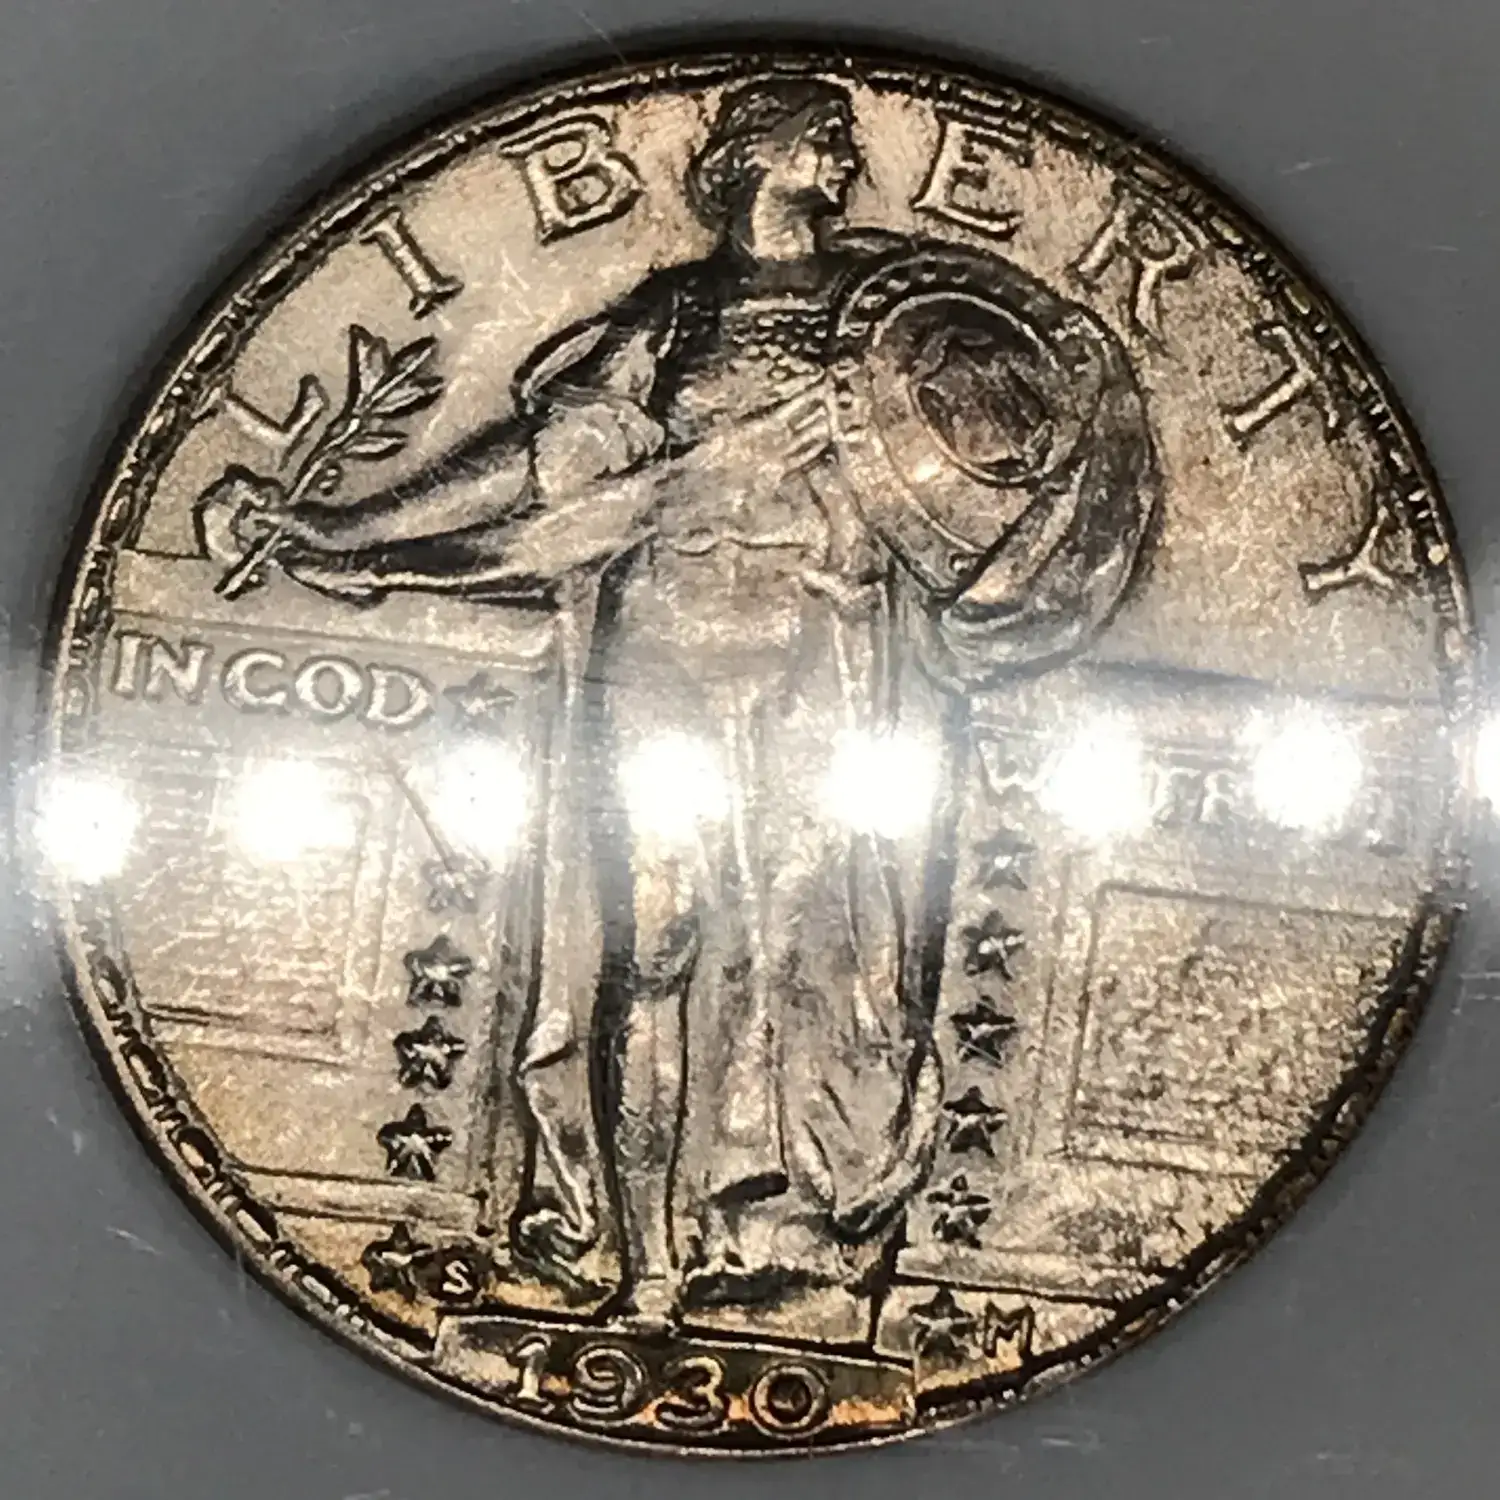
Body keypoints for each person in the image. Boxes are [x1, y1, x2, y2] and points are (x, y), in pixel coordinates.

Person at [198, 77, 1156, 1329]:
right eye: (822, 138)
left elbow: (1016, 455)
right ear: (757, 155)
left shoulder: (892, 315)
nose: (846, 155)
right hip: (661, 648)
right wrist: (346, 530)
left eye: (844, 139)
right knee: (651, 949)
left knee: (818, 953)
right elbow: (543, 473)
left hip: (826, 661)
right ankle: (642, 1269)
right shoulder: (678, 312)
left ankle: (782, 1249)